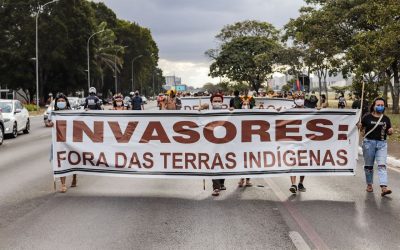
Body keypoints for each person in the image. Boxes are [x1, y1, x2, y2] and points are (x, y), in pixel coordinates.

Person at [359, 98, 393, 196]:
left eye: (382, 105)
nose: (380, 106)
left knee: (382, 165)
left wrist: (390, 131)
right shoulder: (367, 117)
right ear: (374, 105)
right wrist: (360, 126)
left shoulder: (386, 119)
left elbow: (389, 131)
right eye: (378, 104)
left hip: (382, 144)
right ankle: (369, 184)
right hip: (369, 144)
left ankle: (384, 187)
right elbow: (361, 129)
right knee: (369, 166)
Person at [46, 93, 77, 193]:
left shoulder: (71, 112)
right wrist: (49, 124)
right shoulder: (54, 113)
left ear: (66, 102)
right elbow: (47, 122)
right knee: (61, 161)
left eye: (62, 101)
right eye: (58, 101)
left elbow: (80, 119)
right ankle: (63, 184)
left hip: (71, 141)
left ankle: (74, 177)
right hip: (59, 141)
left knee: (73, 160)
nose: (60, 103)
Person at [289, 92, 307, 194]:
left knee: (303, 164)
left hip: (305, 141)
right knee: (292, 162)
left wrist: (319, 112)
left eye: (301, 98)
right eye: (297, 98)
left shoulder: (310, 111)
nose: (299, 99)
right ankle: (293, 184)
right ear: (294, 100)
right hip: (292, 141)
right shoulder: (289, 111)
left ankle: (300, 183)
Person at [210, 93, 226, 196]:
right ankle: (216, 187)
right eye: (215, 101)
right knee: (213, 165)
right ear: (211, 102)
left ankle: (221, 183)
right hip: (211, 145)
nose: (217, 103)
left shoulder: (228, 113)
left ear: (222, 102)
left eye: (219, 101)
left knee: (224, 164)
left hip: (225, 144)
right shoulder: (206, 113)